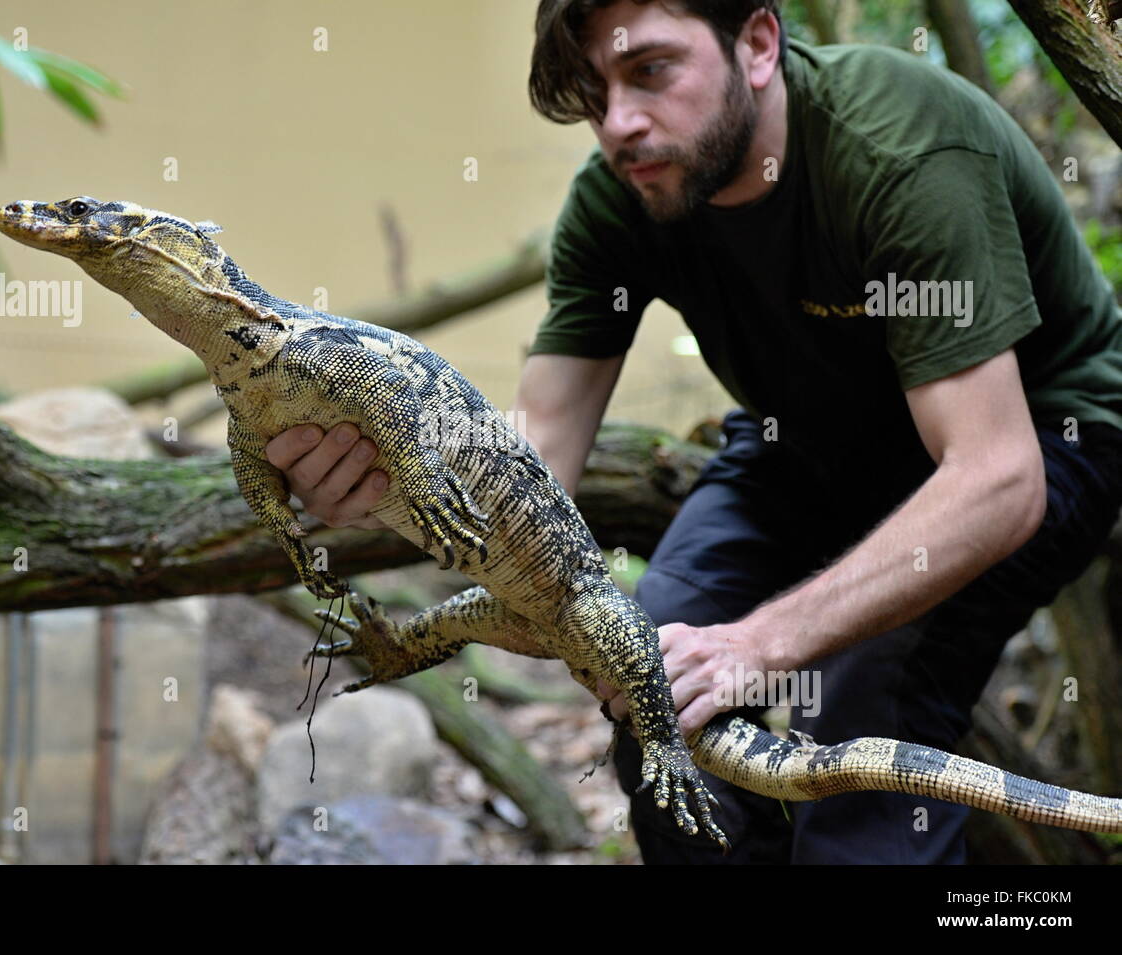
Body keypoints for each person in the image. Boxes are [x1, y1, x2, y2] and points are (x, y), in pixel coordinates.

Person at [262, 0, 1122, 864]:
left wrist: (760, 643)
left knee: (865, 694)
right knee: (653, 669)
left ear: (756, 44)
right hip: (805, 445)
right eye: (595, 92)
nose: (620, 124)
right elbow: (524, 475)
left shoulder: (899, 147)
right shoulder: (618, 200)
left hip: (1040, 437)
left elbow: (999, 479)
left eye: (651, 71)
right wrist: (381, 492)